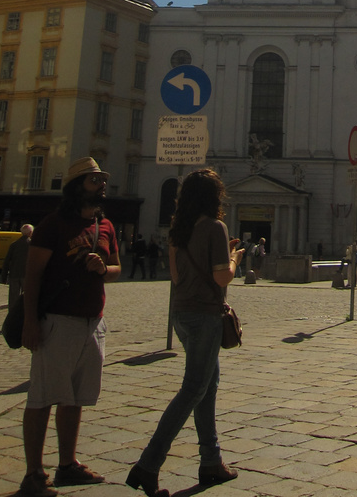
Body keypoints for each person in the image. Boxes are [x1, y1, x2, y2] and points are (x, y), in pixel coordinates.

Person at [127, 169, 243, 497]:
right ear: (213, 196)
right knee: (193, 390)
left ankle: (211, 462)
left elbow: (176, 275)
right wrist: (233, 257)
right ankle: (148, 465)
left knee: (207, 387)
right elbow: (222, 278)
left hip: (180, 313)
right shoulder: (215, 227)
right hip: (205, 316)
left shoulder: (178, 230)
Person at [19, 158, 120, 497]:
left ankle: (67, 465)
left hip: (93, 323)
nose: (101, 185)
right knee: (42, 398)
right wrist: (30, 322)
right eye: (94, 180)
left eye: (102, 180)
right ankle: (33, 474)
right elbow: (32, 277)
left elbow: (117, 268)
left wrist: (104, 269)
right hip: (57, 322)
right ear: (77, 187)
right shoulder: (53, 224)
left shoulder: (104, 226)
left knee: (74, 398)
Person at [2, 223, 33, 310]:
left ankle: (12, 316)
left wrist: (4, 276)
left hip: (14, 274)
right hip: (27, 275)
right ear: (30, 232)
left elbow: (7, 261)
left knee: (13, 298)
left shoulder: (14, 245)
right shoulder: (32, 245)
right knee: (27, 298)